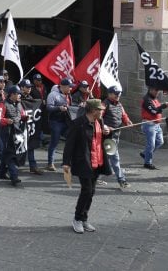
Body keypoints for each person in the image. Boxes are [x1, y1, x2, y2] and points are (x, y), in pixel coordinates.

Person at [62, 99, 112, 234]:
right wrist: (66, 162)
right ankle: (77, 218)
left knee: (92, 192)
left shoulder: (99, 122)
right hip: (84, 161)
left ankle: (84, 218)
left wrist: (108, 132)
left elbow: (102, 139)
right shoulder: (78, 124)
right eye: (100, 110)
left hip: (98, 160)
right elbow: (69, 144)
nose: (102, 111)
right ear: (93, 111)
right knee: (87, 190)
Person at [0, 85, 28, 187]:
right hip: (6, 132)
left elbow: (21, 115)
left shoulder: (19, 104)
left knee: (7, 153)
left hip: (17, 132)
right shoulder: (3, 104)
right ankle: (14, 176)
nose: (19, 95)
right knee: (11, 155)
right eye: (17, 93)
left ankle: (1, 173)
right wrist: (6, 121)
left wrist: (25, 117)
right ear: (12, 94)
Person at [101, 86, 132, 189]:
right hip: (108, 136)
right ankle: (121, 179)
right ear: (109, 94)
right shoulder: (104, 104)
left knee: (104, 158)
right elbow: (98, 118)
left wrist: (128, 121)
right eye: (115, 93)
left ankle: (93, 177)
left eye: (119, 93)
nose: (118, 95)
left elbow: (123, 115)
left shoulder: (119, 104)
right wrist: (105, 127)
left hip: (116, 135)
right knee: (115, 158)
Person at [46, 78, 74, 171]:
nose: (71, 89)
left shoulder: (69, 95)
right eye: (69, 87)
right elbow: (48, 107)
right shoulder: (53, 94)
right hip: (55, 122)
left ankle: (66, 162)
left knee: (70, 141)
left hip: (66, 122)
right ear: (64, 86)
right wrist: (59, 108)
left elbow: (71, 107)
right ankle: (50, 163)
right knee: (54, 142)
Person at [140, 87, 168, 170]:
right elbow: (153, 111)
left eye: (158, 90)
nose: (157, 92)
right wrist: (162, 106)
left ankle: (145, 153)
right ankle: (147, 163)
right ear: (150, 90)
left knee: (160, 142)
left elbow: (157, 109)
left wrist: (161, 107)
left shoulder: (154, 99)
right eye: (156, 90)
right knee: (151, 145)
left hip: (156, 124)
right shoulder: (146, 99)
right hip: (149, 124)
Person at [20, 79, 43, 175]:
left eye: (30, 87)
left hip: (29, 125)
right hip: (19, 126)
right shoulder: (17, 97)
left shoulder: (30, 97)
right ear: (21, 87)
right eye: (27, 87)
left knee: (31, 145)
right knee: (17, 146)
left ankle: (33, 166)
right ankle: (11, 166)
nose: (29, 89)